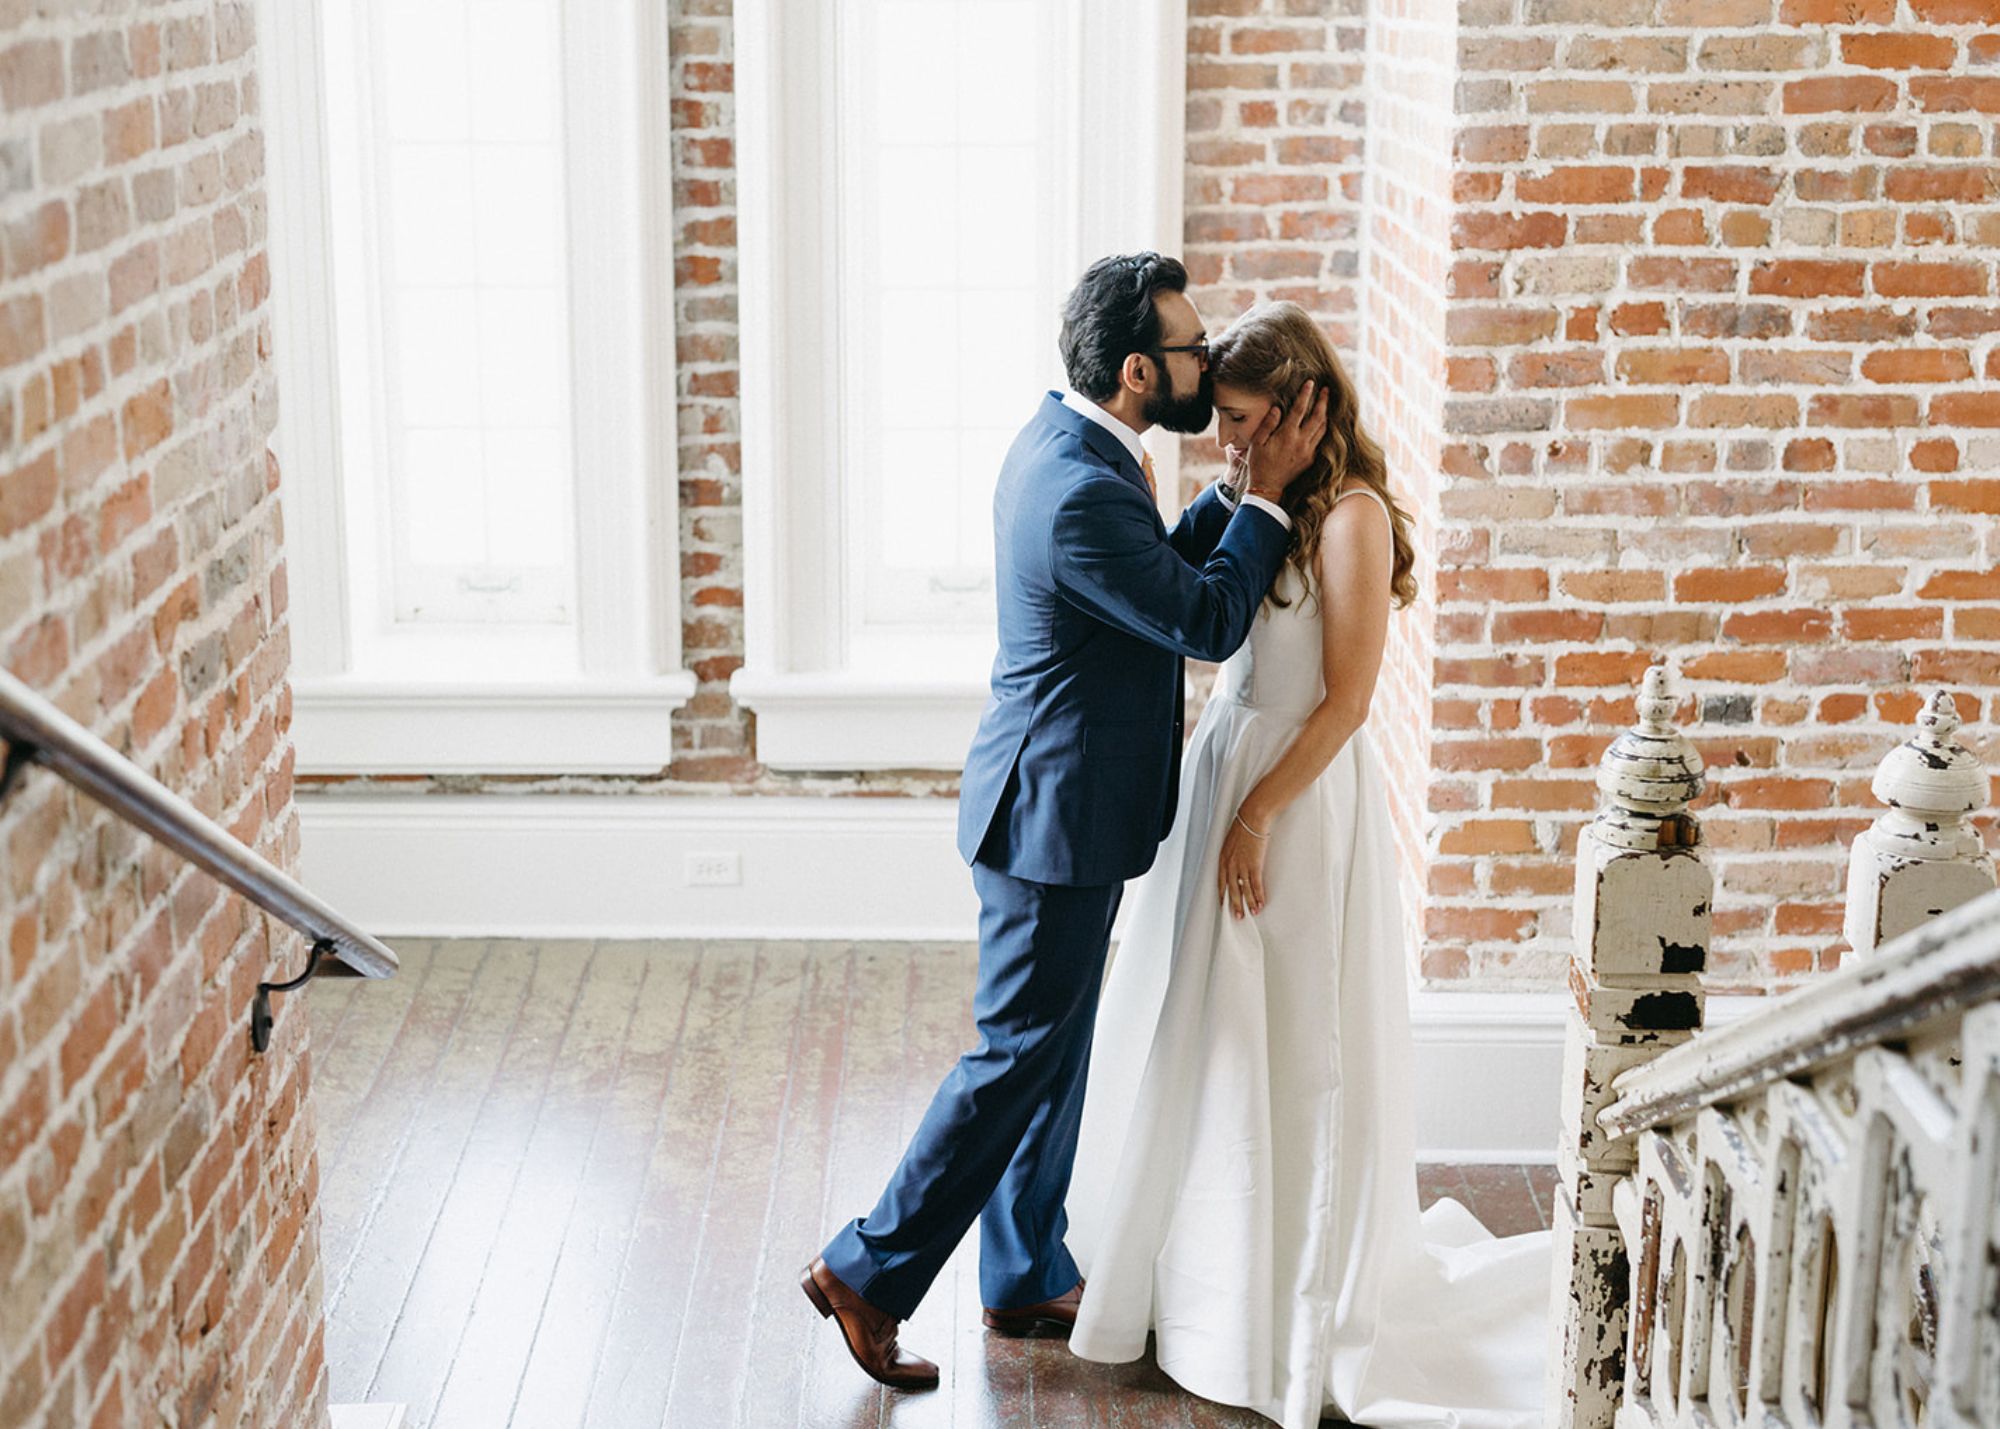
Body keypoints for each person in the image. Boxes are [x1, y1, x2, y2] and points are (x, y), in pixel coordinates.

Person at [800, 255, 1331, 1389]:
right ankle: (864, 1270)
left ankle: (1025, 1267)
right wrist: (1272, 499)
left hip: (1063, 805)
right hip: (1050, 815)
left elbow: (1139, 578)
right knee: (1013, 1059)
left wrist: (1227, 495)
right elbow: (1200, 618)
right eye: (1189, 352)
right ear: (1141, 370)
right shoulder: (1082, 483)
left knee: (1052, 1051)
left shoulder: (1078, 445)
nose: (1203, 363)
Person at [1064, 301, 1549, 1429]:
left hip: (1295, 802)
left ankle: (1288, 1308)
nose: (1225, 441)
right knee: (1206, 1044)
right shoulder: (1245, 502)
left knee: (1290, 1047)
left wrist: (1258, 816)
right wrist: (1220, 806)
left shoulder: (1352, 519)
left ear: (1298, 408)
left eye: (1240, 420)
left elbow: (1345, 704)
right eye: (1220, 421)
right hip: (1226, 779)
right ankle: (1192, 1291)